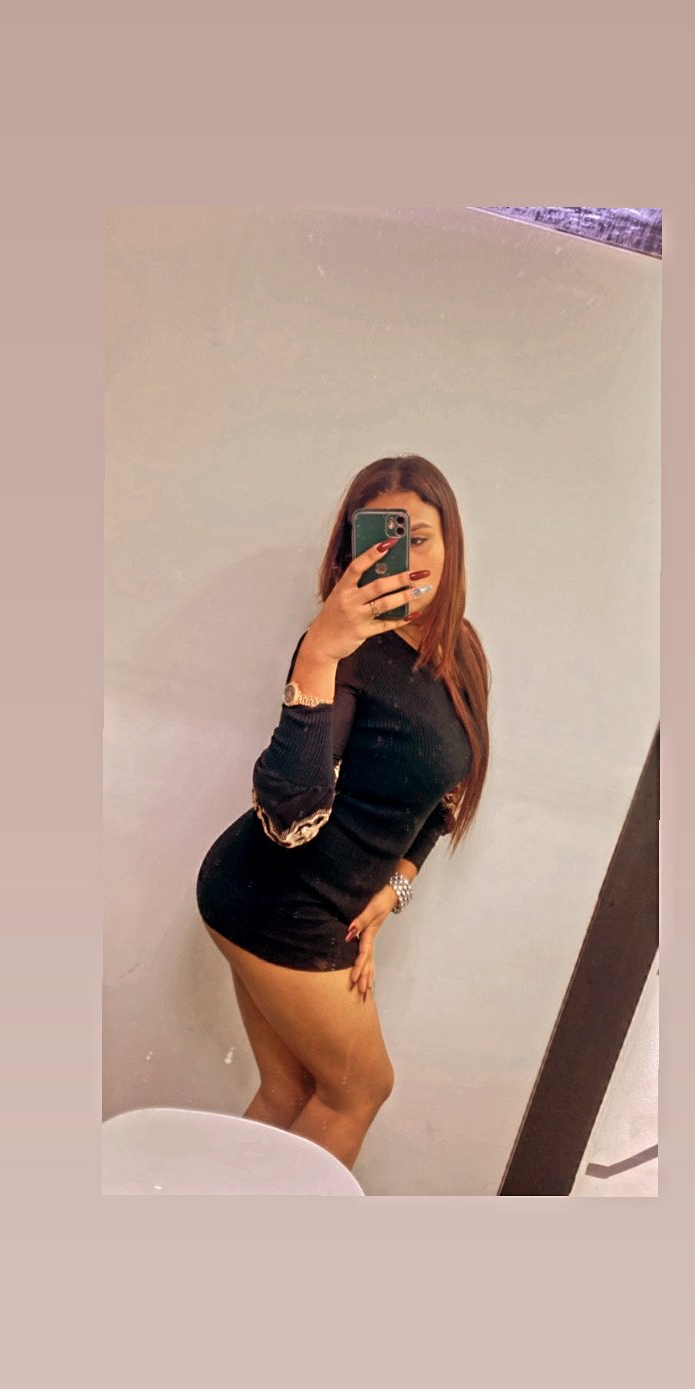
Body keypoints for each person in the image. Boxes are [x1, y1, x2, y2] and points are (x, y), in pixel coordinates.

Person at [196, 455, 491, 1172]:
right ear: (351, 549)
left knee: (290, 1091)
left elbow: (444, 796)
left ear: (450, 543)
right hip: (276, 899)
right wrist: (320, 653)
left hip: (314, 902)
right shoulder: (342, 650)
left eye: (420, 537)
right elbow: (288, 820)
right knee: (361, 1091)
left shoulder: (461, 652)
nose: (405, 559)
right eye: (385, 540)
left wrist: (397, 885)